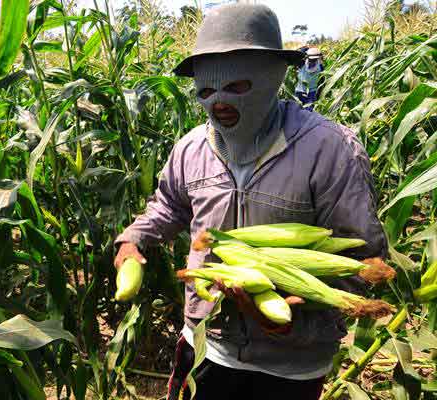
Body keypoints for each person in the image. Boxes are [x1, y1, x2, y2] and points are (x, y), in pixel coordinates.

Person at [114, 4, 388, 399]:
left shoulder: (328, 150)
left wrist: (295, 319)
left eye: (237, 87)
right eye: (206, 91)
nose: (219, 103)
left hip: (290, 367)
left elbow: (361, 263)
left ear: (272, 77)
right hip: (207, 345)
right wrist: (134, 238)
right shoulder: (191, 148)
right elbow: (170, 205)